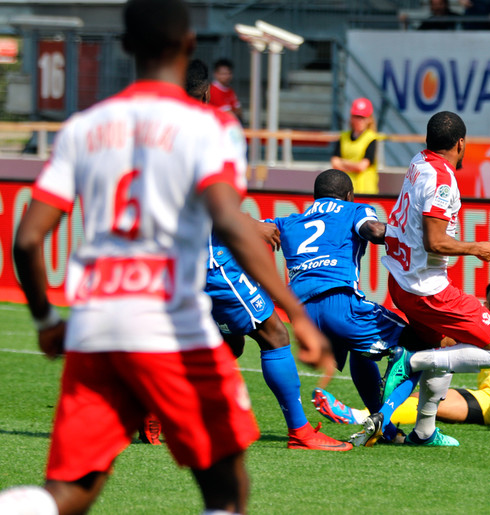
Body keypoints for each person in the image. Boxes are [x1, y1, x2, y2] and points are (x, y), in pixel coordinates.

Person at [0, 1, 330, 513]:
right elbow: (227, 221)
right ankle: (297, 430)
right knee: (226, 487)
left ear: (126, 48)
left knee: (71, 493)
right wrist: (297, 311)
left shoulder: (85, 127)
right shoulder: (209, 129)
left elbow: (26, 239)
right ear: (189, 46)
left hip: (97, 324)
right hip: (170, 325)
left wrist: (46, 319)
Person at [190, 62, 351, 452]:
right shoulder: (201, 134)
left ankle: (159, 412)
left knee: (225, 343)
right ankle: (300, 431)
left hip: (177, 259)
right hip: (212, 258)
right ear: (208, 94)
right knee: (274, 334)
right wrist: (251, 227)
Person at [331, 193, 490, 430]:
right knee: (428, 401)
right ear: (485, 303)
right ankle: (360, 415)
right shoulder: (479, 323)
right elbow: (446, 343)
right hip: (489, 398)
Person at [367, 110, 490, 447]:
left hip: (402, 280)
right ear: (461, 144)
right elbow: (435, 241)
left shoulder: (420, 161)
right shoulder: (443, 180)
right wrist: (476, 248)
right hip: (427, 289)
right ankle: (411, 360)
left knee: (444, 347)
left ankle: (424, 431)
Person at [270, 169, 443, 446]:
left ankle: (386, 432)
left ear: (315, 197)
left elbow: (252, 230)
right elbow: (373, 230)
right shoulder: (355, 209)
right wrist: (413, 235)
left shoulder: (290, 220)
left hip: (301, 316)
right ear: (349, 195)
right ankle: (383, 417)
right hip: (339, 304)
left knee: (361, 352)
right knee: (423, 345)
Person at [329, 97, 380, 195]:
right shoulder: (344, 137)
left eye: (363, 117)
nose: (359, 121)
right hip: (345, 190)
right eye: (357, 117)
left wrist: (342, 163)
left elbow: (362, 166)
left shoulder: (372, 138)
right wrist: (354, 165)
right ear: (351, 118)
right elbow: (334, 162)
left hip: (365, 191)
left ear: (369, 119)